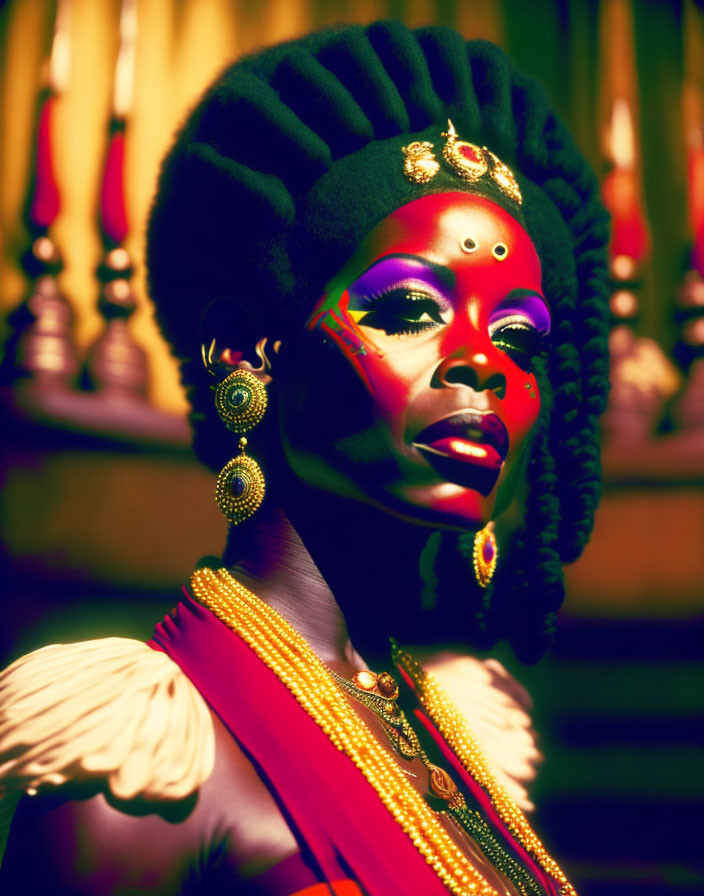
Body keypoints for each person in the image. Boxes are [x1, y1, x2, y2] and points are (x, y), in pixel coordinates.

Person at [0, 21, 609, 896]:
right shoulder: (141, 766)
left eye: (519, 336)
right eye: (408, 307)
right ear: (250, 354)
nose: (485, 360)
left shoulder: (456, 736)